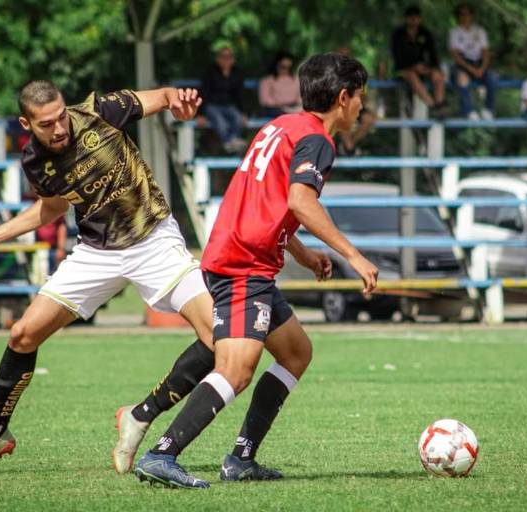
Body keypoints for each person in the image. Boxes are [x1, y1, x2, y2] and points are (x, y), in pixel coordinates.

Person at [0, 82, 222, 475]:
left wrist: (181, 104)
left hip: (153, 239)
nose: (59, 129)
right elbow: (53, 205)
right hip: (96, 254)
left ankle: (140, 415)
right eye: (46, 124)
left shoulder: (99, 111)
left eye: (60, 118)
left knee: (217, 336)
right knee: (23, 334)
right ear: (26, 123)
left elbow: (163, 96)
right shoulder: (35, 161)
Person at [133, 52, 379, 489]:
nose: (362, 105)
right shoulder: (319, 141)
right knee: (235, 369)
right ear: (343, 98)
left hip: (240, 255)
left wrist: (301, 254)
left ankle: (241, 458)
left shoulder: (280, 126)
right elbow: (302, 201)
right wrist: (352, 255)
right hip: (244, 264)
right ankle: (162, 454)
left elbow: (270, 202)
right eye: (360, 96)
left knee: (296, 353)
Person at [391, 5, 446, 116]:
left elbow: (433, 55)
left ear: (420, 19)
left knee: (438, 75)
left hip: (423, 68)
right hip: (404, 70)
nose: (414, 20)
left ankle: (440, 105)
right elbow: (397, 58)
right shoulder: (398, 35)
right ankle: (432, 105)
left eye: (416, 17)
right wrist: (413, 66)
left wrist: (430, 68)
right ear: (406, 19)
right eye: (411, 17)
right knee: (411, 75)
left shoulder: (425, 34)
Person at [448, 3, 496, 120]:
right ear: (458, 16)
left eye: (467, 14)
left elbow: (485, 52)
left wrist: (482, 69)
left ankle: (488, 110)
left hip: (479, 64)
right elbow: (455, 55)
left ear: (472, 15)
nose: (465, 17)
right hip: (462, 65)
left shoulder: (480, 31)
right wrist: (471, 69)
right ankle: (469, 111)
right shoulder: (454, 32)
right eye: (461, 14)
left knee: (493, 78)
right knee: (462, 79)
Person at [201, 46, 247, 153]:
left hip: (229, 105)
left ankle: (232, 142)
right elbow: (204, 93)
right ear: (218, 59)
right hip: (212, 105)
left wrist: (244, 112)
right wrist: (201, 114)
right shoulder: (210, 72)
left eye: (229, 57)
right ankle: (228, 143)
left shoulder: (237, 73)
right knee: (220, 122)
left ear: (233, 59)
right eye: (223, 57)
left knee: (238, 118)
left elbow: (240, 94)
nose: (226, 59)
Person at [258, 51, 301, 117]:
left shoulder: (296, 79)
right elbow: (265, 100)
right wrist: (281, 105)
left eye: (288, 67)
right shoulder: (267, 80)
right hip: (275, 109)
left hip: (294, 107)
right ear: (276, 65)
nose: (286, 70)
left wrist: (295, 106)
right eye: (283, 66)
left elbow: (300, 97)